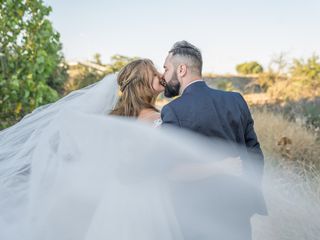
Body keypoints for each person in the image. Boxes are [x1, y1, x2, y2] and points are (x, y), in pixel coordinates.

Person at [0, 58, 243, 240]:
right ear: (141, 84)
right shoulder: (157, 118)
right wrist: (219, 166)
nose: (161, 75)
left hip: (115, 202)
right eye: (155, 73)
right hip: (149, 202)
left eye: (161, 70)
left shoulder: (114, 118)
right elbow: (168, 169)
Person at [161, 40, 267, 240]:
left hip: (197, 219)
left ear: (181, 69)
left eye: (166, 69)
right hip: (238, 211)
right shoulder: (236, 99)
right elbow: (255, 154)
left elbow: (171, 171)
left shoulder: (173, 110)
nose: (164, 76)